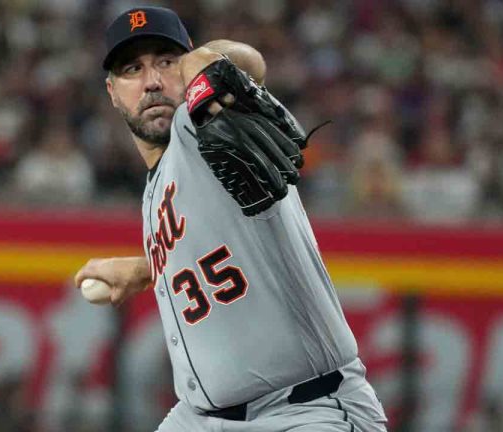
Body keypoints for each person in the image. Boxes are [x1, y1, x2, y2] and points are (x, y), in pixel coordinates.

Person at [75, 6, 387, 431]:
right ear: (112, 91)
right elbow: (217, 242)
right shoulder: (154, 185)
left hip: (304, 410)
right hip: (200, 418)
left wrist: (209, 62)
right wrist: (148, 268)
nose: (151, 81)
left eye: (166, 61)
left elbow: (247, 64)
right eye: (133, 69)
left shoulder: (199, 123)